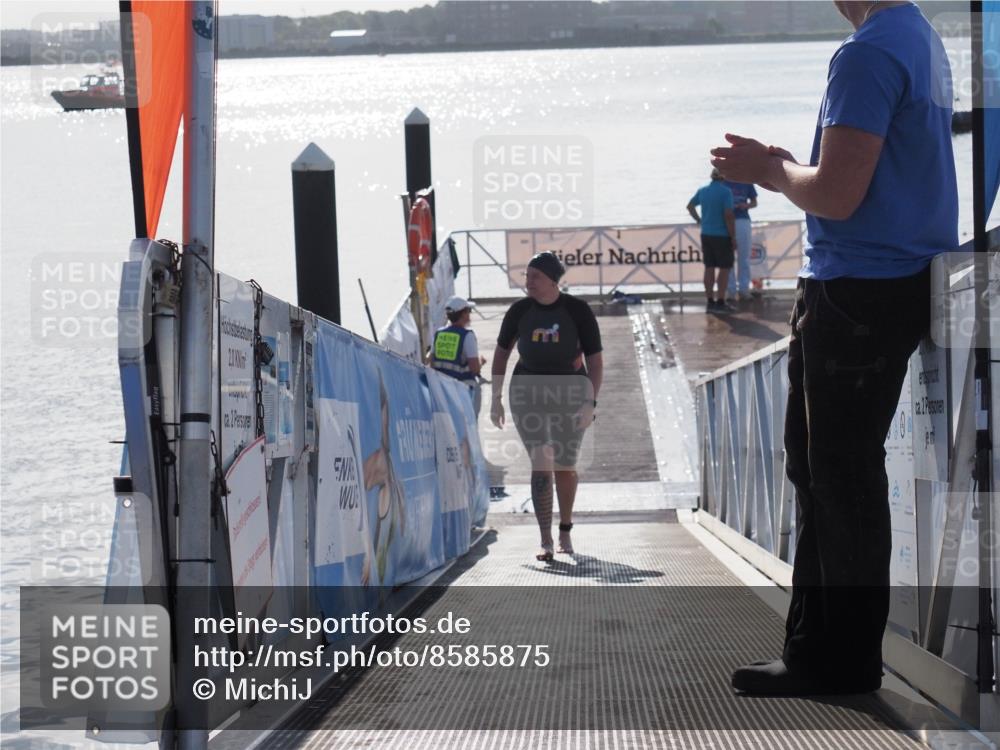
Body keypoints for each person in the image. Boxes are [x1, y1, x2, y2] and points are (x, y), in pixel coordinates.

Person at [710, 0, 957, 695]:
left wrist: (769, 171)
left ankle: (837, 660)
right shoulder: (919, 37)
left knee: (838, 480)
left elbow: (839, 196)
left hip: (858, 290)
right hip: (896, 279)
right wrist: (788, 166)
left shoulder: (867, 53)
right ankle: (821, 650)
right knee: (829, 473)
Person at [490, 252, 603, 561]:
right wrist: (496, 399)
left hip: (571, 392)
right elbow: (501, 355)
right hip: (527, 392)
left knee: (565, 466)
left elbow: (595, 362)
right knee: (541, 462)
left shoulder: (577, 311)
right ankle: (545, 539)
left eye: (535, 277)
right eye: (526, 276)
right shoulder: (519, 311)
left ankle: (565, 528)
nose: (528, 282)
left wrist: (590, 403)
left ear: (553, 280)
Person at [687, 168, 737, 313]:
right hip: (722, 235)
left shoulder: (703, 191)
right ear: (723, 177)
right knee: (724, 269)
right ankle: (720, 301)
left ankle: (710, 301)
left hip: (706, 234)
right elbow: (728, 215)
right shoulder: (726, 192)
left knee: (709, 267)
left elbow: (690, 206)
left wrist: (699, 220)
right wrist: (733, 236)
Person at [430, 296, 485, 415]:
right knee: (467, 424)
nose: (470, 314)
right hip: (462, 391)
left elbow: (432, 362)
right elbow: (475, 369)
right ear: (463, 314)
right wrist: (481, 362)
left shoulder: (439, 334)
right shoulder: (467, 336)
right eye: (468, 311)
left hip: (442, 390)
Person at [724, 180, 758, 301]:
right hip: (726, 221)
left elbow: (754, 202)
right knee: (728, 257)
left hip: (743, 220)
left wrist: (746, 205)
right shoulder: (722, 182)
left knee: (744, 257)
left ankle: (744, 289)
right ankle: (731, 290)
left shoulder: (746, 181)